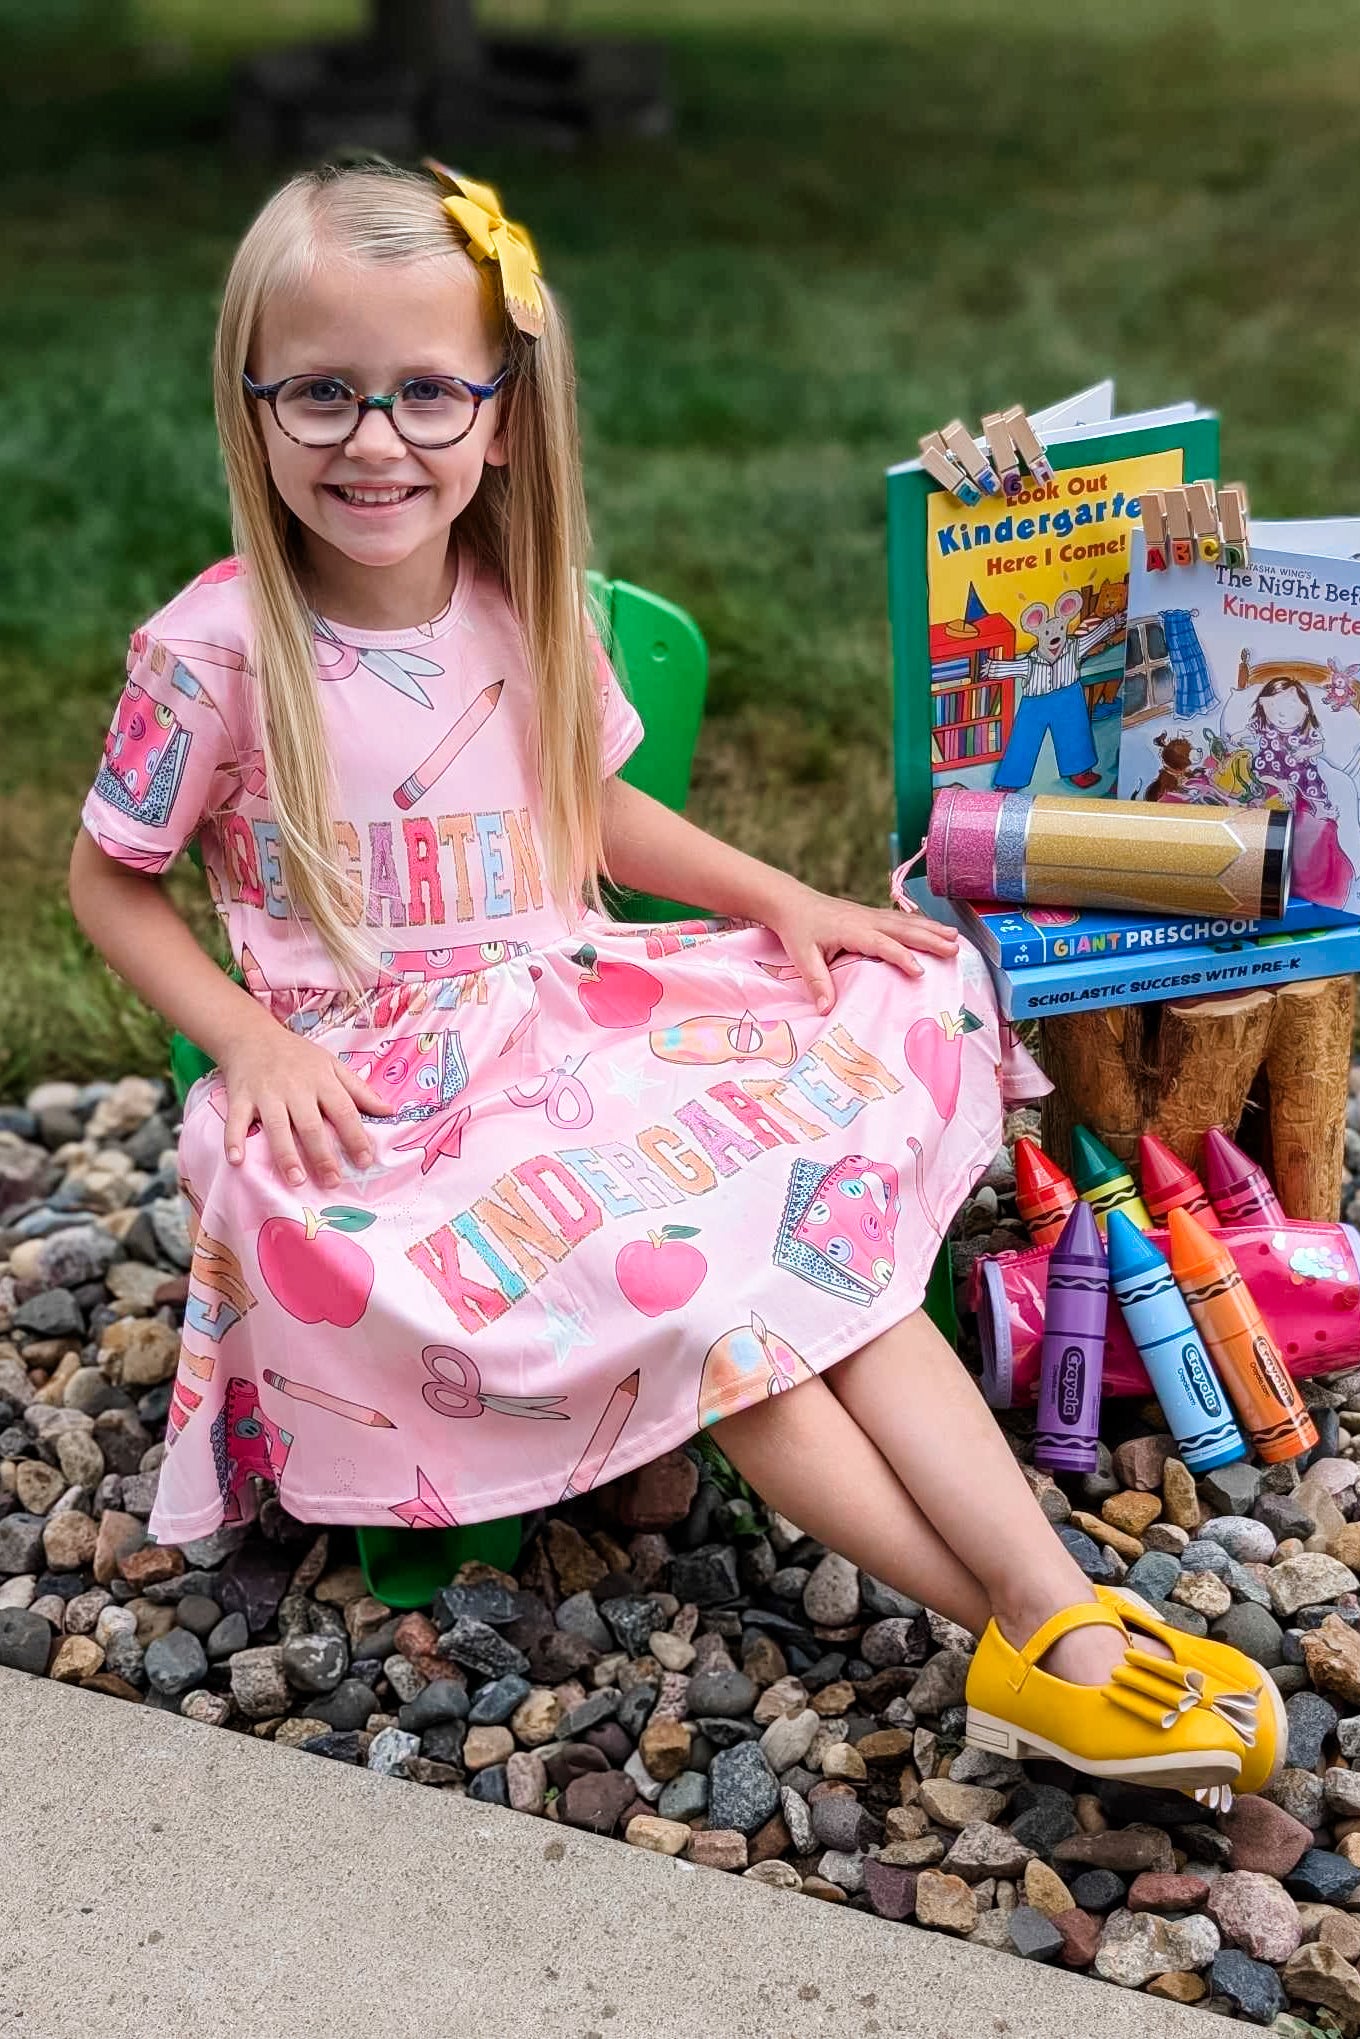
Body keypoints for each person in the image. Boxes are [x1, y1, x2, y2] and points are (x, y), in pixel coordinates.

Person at [69, 160, 1279, 1799]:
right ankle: (1034, 1633)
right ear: (254, 402)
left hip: (565, 1011)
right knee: (717, 1296)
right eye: (325, 393)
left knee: (819, 1209)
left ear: (502, 414)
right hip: (381, 1087)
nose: (376, 440)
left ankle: (1053, 1627)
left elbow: (594, 803)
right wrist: (244, 1040)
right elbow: (110, 880)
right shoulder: (211, 651)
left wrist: (783, 899)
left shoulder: (523, 602)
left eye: (429, 392)